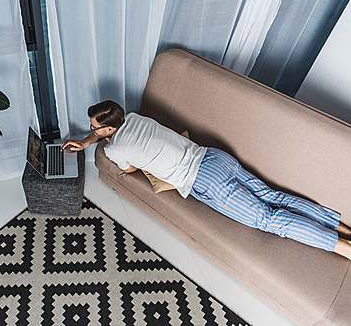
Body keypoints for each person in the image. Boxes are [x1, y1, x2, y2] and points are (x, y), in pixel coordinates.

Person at [61, 100, 351, 260]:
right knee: (274, 196)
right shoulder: (135, 117)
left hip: (206, 181)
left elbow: (131, 168)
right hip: (217, 157)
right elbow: (108, 133)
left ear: (108, 128)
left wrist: (99, 146)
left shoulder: (116, 149)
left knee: (268, 220)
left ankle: (342, 248)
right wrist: (87, 141)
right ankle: (342, 227)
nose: (91, 130)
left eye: (94, 127)